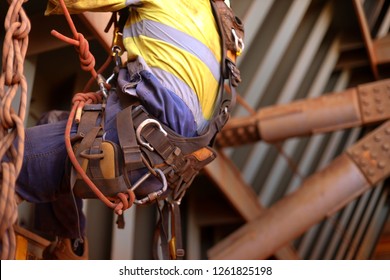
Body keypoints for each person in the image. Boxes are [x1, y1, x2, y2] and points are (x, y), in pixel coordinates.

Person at [14, 0, 229, 259]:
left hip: (130, 144)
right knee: (51, 120)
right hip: (160, 165)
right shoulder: (219, 30)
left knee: (9, 157)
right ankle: (69, 244)